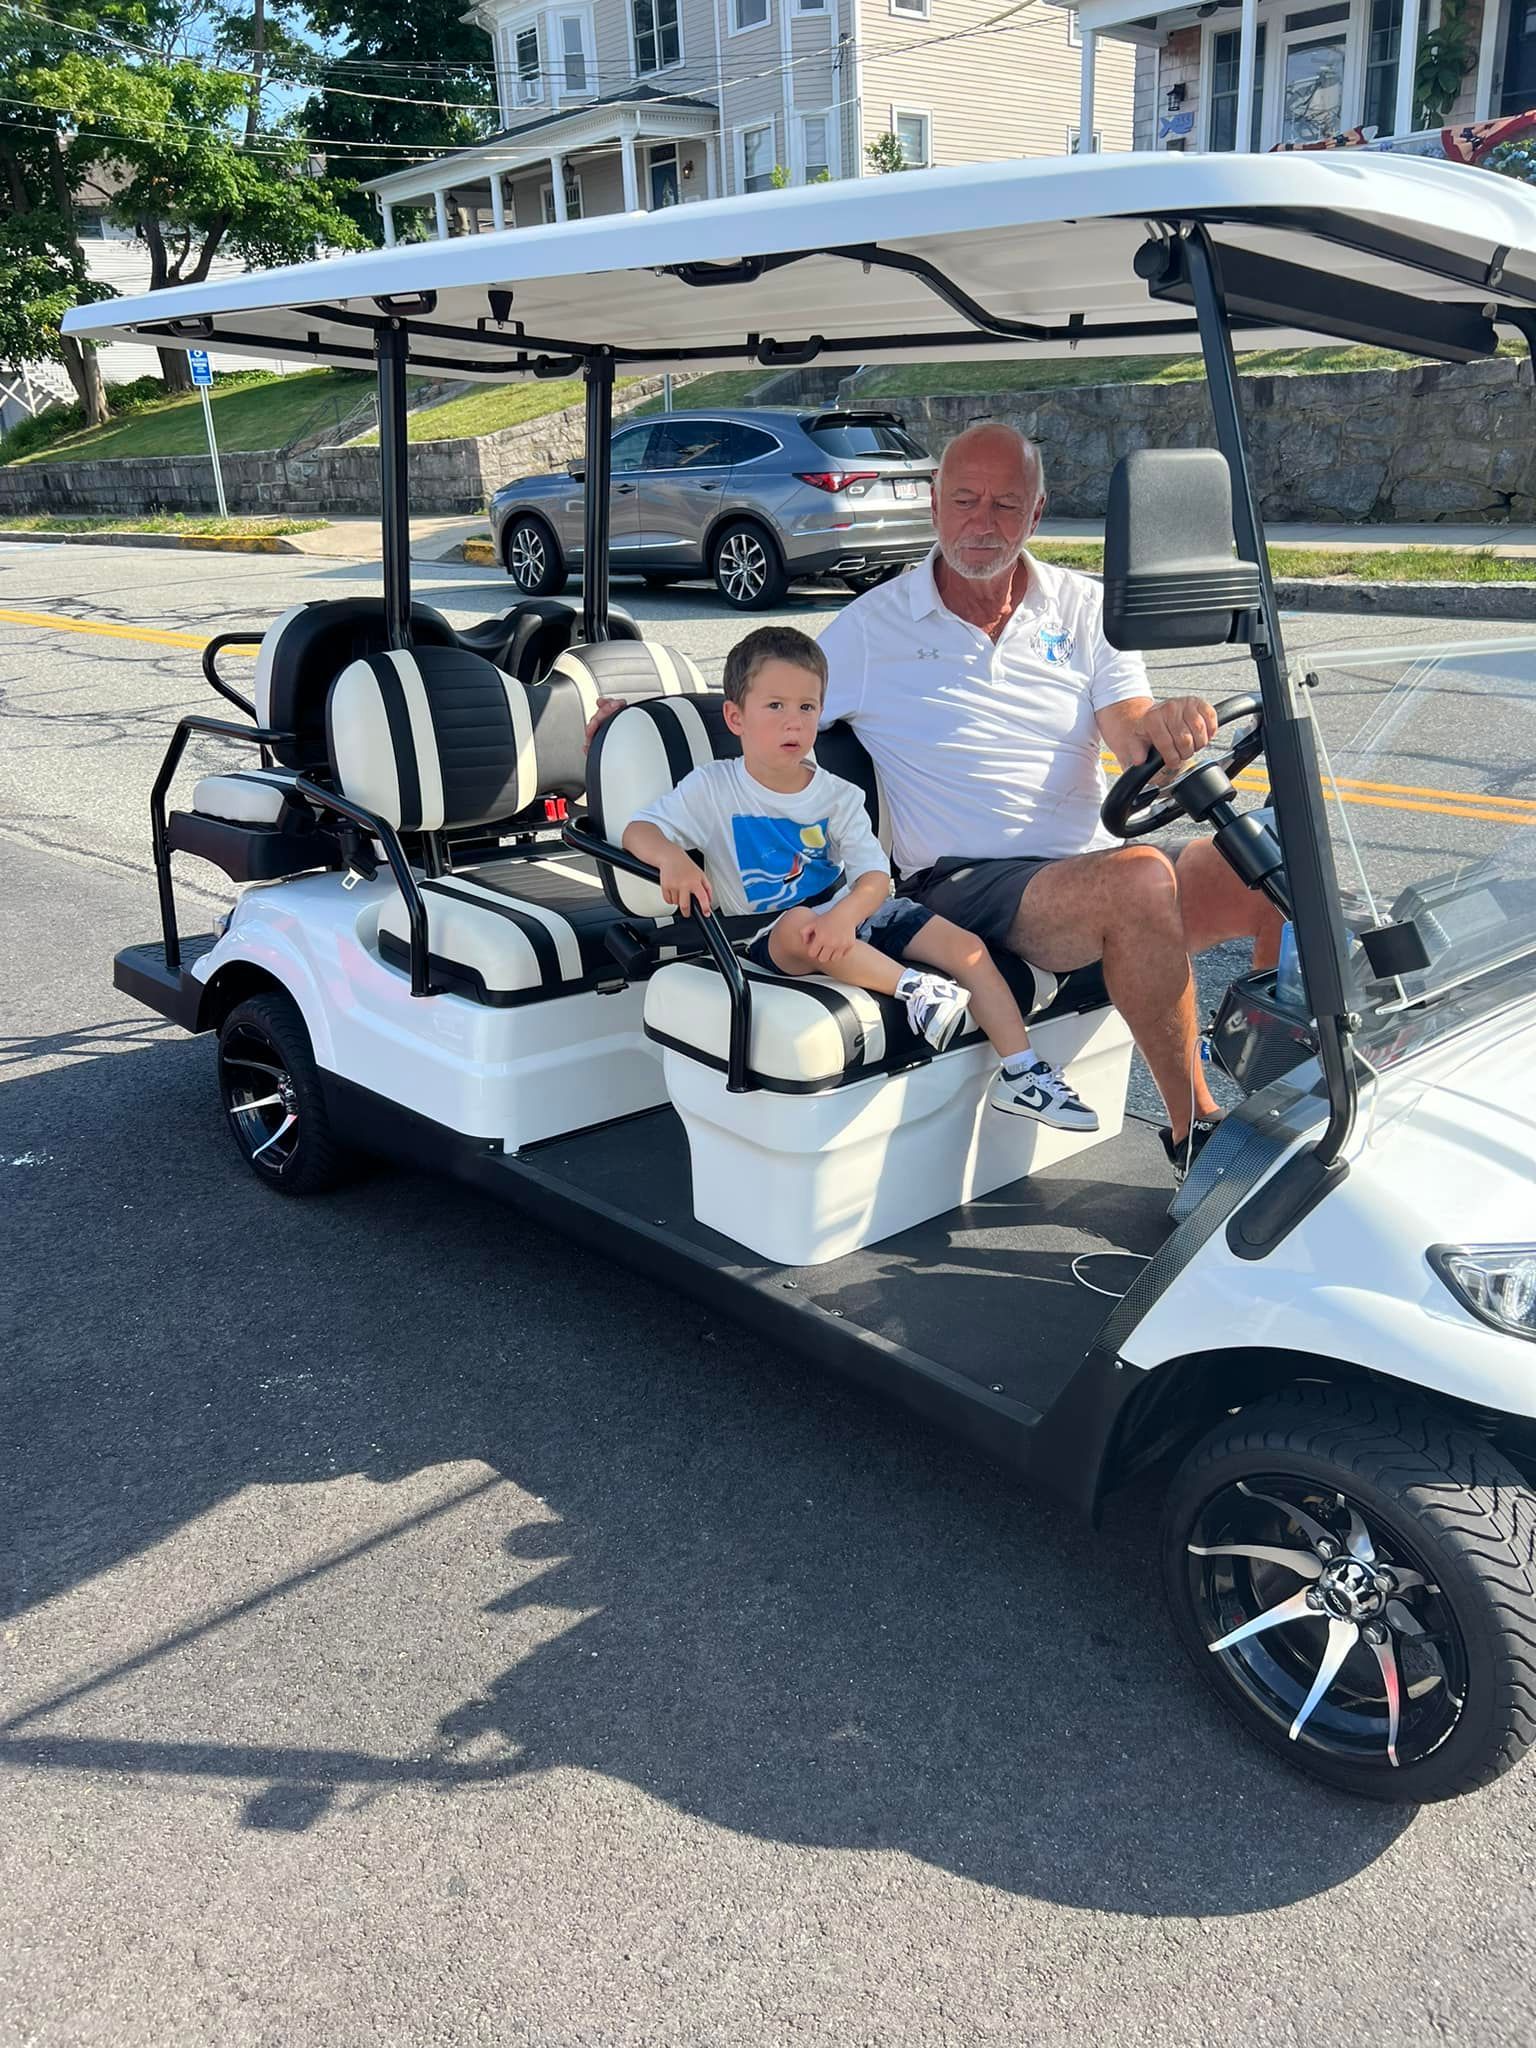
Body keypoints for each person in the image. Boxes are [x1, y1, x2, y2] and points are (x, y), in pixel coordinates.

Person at [814, 422, 1284, 1179]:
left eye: (1005, 505)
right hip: (960, 885)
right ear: (934, 507)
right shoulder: (870, 630)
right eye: (964, 500)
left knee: (1264, 864)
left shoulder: (1083, 607)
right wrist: (638, 713)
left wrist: (1167, 731)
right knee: (1138, 882)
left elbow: (1134, 736)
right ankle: (1196, 1133)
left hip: (1081, 867)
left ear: (1035, 516)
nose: (981, 522)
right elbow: (777, 701)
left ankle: (1283, 1095)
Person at [621, 625, 1098, 1131]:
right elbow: (639, 830)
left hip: (853, 912)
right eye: (775, 706)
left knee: (967, 951)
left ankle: (1022, 1072)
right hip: (768, 934)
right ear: (736, 717)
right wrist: (672, 859)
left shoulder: (838, 795)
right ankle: (915, 989)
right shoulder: (712, 788)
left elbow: (873, 877)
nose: (794, 722)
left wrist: (846, 917)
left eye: (807, 708)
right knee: (803, 924)